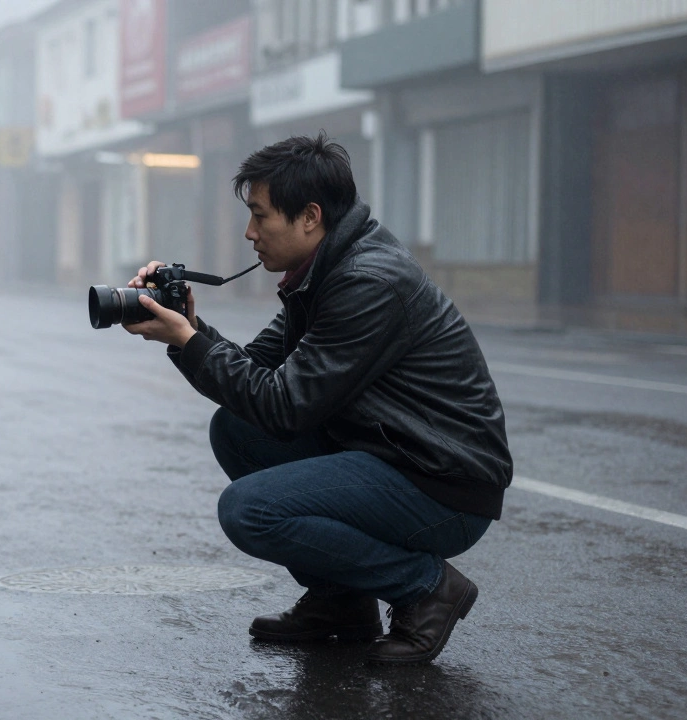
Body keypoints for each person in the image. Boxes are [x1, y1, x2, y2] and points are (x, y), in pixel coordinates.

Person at [123, 133, 512, 665]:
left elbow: (285, 408)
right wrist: (189, 325)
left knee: (250, 511)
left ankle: (426, 588)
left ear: (309, 216)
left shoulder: (368, 281)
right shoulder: (326, 269)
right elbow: (257, 373)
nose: (249, 233)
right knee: (235, 430)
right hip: (390, 455)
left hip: (443, 485)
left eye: (261, 217)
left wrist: (189, 343)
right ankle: (341, 601)